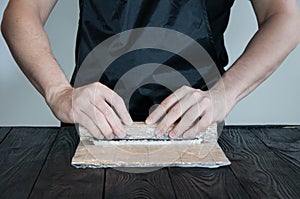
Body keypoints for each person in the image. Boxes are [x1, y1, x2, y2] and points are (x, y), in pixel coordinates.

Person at [1, 0, 300, 140]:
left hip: (192, 128)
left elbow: (286, 17)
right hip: (94, 126)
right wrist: (58, 92)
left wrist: (224, 94)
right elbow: (22, 11)